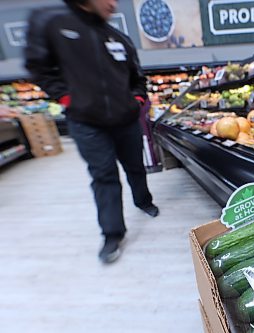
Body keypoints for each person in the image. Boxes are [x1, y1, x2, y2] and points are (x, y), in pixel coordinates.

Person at [25, 0, 159, 264]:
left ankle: (143, 201)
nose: (113, 4)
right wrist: (66, 98)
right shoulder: (54, 23)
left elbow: (138, 79)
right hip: (87, 123)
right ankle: (112, 234)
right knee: (104, 175)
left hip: (126, 120)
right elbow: (38, 67)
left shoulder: (119, 38)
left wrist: (137, 102)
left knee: (135, 166)